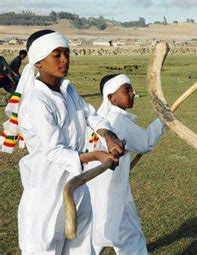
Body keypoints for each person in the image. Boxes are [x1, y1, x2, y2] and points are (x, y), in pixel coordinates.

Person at [0, 29, 125, 254]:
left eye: (67, 53)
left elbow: (89, 115)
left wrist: (109, 136)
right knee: (44, 247)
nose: (65, 60)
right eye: (56, 55)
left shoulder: (69, 90)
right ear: (39, 61)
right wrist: (97, 155)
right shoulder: (36, 101)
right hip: (47, 191)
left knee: (81, 247)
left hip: (75, 185)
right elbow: (54, 152)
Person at [86, 74, 164, 254]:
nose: (132, 93)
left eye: (131, 89)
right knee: (130, 238)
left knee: (95, 233)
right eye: (126, 90)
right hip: (113, 192)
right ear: (111, 98)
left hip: (93, 191)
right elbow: (145, 143)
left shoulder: (98, 120)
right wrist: (163, 120)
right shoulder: (117, 120)